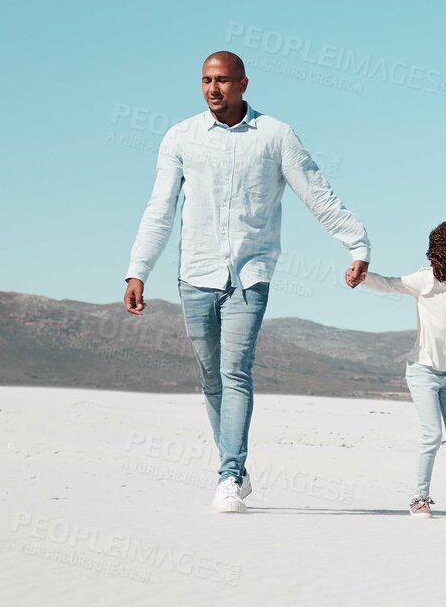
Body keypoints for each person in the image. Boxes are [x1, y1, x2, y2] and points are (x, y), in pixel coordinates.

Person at [124, 50, 370, 514]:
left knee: (235, 371)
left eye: (221, 80)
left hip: (250, 274)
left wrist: (357, 244)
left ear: (243, 83)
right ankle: (232, 464)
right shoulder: (181, 137)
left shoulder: (276, 136)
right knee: (210, 377)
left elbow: (317, 193)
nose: (213, 89)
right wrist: (138, 269)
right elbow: (159, 208)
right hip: (194, 274)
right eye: (205, 81)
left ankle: (230, 474)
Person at [357, 218, 446, 520]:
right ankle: (419, 498)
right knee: (432, 435)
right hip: (422, 371)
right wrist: (364, 277)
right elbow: (392, 284)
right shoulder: (426, 281)